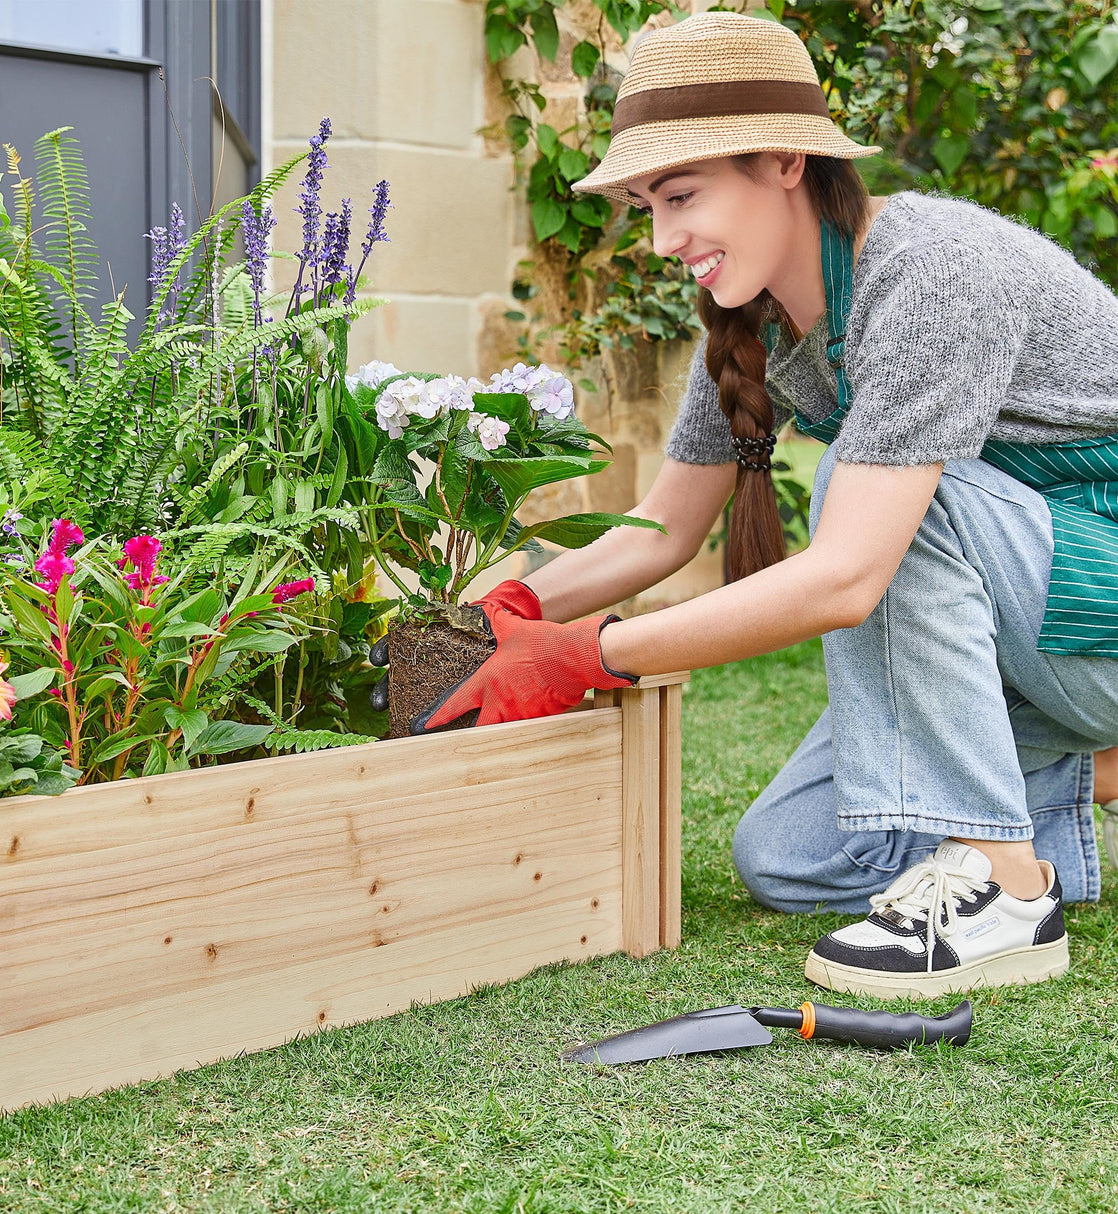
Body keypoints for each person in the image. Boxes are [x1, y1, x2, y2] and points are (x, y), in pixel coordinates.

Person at [383, 11, 1118, 999]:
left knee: (880, 509)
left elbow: (849, 575)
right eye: (646, 204)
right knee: (788, 855)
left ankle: (1003, 882)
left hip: (1092, 598)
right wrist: (496, 616)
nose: (660, 236)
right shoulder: (752, 323)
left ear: (782, 162)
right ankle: (1069, 787)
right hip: (1038, 619)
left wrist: (593, 650)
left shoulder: (934, 268)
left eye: (681, 195)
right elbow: (661, 529)